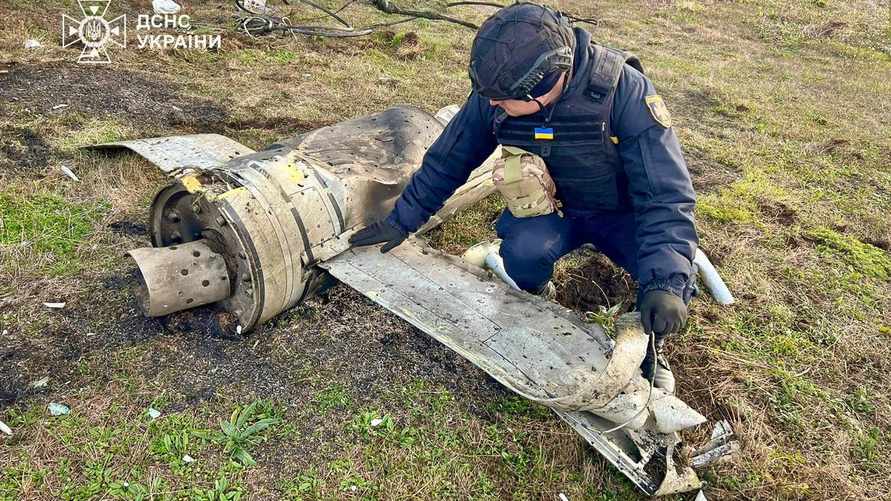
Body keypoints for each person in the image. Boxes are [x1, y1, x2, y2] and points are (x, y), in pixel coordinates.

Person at [349, 2, 698, 393]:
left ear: (547, 83)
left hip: (621, 212)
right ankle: (534, 299)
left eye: (503, 101)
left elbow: (665, 195)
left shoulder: (624, 92)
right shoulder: (498, 88)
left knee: (671, 283)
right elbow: (451, 157)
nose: (492, 105)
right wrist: (402, 219)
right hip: (554, 209)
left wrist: (665, 283)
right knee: (524, 253)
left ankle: (650, 345)